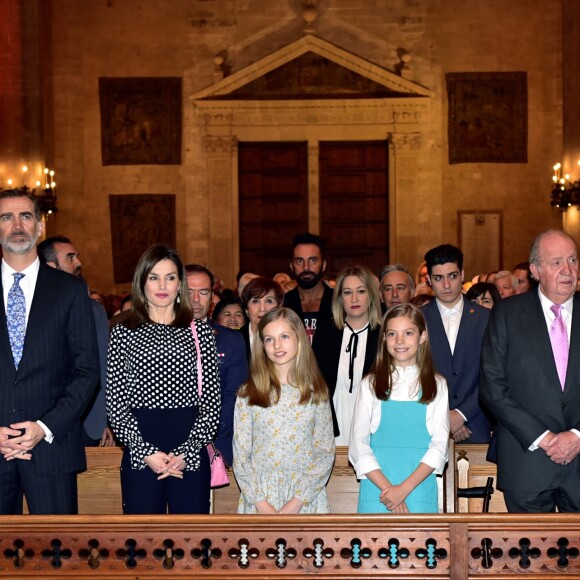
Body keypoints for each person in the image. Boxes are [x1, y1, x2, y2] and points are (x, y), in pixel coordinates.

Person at [0, 189, 99, 514]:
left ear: (39, 227)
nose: (17, 225)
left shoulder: (69, 290)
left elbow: (86, 370)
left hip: (52, 448)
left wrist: (43, 427)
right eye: (6, 217)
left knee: (57, 557)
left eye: (25, 216)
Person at [107, 245, 220, 514]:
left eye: (170, 277)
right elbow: (115, 402)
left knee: (192, 543)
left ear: (179, 282)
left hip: (189, 445)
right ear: (142, 281)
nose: (162, 285)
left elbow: (212, 402)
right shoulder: (123, 331)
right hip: (140, 445)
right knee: (142, 540)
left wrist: (187, 452)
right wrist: (145, 451)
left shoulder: (199, 330)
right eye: (154, 277)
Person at [480, 230, 580, 512]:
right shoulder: (507, 315)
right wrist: (544, 438)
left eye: (572, 260)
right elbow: (493, 388)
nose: (567, 270)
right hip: (527, 460)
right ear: (535, 270)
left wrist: (576, 436)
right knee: (530, 555)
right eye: (556, 262)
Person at [233, 307, 335, 514]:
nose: (277, 345)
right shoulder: (249, 392)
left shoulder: (316, 392)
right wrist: (261, 504)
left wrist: (296, 502)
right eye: (269, 339)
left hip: (304, 499)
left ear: (299, 339)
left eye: (284, 336)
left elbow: (325, 452)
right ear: (262, 345)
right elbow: (241, 454)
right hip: (260, 497)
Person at [349, 304, 449, 513]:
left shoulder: (437, 384)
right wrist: (389, 490)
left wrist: (403, 489)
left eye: (408, 333)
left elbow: (439, 446)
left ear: (422, 336)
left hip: (418, 488)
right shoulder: (370, 384)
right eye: (392, 334)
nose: (400, 341)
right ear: (384, 338)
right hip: (377, 490)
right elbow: (359, 445)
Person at [37, 235, 114, 447]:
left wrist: (109, 420)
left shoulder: (93, 310)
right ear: (51, 266)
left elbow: (103, 368)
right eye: (70, 258)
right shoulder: (30, 309)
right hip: (38, 421)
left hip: (88, 423)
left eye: (77, 257)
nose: (78, 263)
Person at [422, 244, 490, 443]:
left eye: (452, 276)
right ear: (429, 281)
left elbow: (494, 376)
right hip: (429, 426)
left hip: (477, 423)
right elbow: (412, 375)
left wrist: (461, 414)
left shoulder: (487, 318)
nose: (446, 285)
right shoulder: (417, 319)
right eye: (438, 278)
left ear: (462, 275)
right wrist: (445, 418)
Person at [185, 264, 248, 467]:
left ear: (212, 296)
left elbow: (235, 394)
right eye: (189, 291)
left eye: (203, 292)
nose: (196, 299)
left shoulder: (231, 340)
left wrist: (205, 433)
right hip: (169, 441)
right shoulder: (159, 339)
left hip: (217, 440)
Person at [312, 265, 382, 442]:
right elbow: (314, 380)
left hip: (372, 421)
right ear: (340, 298)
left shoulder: (383, 335)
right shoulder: (326, 332)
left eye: (361, 291)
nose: (354, 298)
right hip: (332, 419)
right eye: (347, 292)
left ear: (371, 296)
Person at [283, 233, 334, 343]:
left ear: (323, 265)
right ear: (292, 266)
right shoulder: (283, 304)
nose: (306, 267)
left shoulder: (338, 301)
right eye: (299, 261)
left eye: (312, 260)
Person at [240, 276, 284, 360]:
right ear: (246, 309)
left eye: (269, 301)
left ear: (279, 306)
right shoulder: (234, 340)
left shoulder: (287, 339)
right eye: (255, 301)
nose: (262, 308)